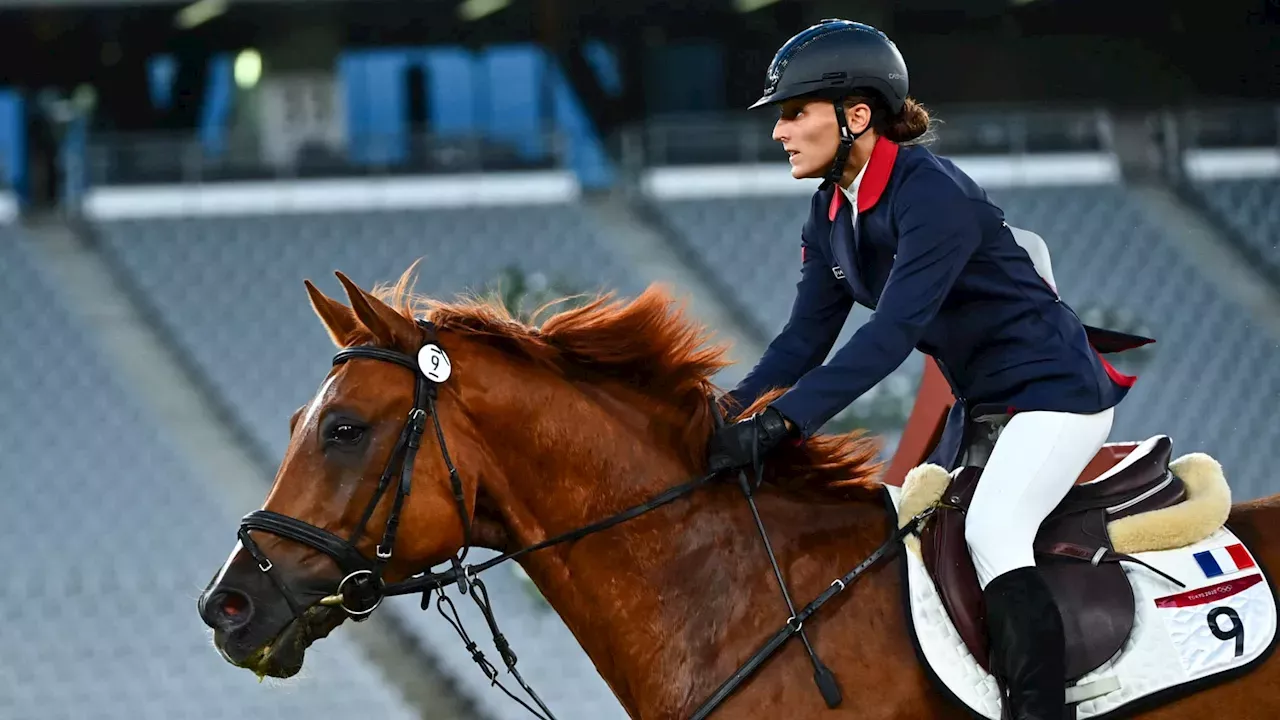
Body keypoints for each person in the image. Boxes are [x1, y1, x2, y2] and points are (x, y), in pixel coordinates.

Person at [705, 19, 1147, 720]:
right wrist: (730, 410)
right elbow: (800, 342)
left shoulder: (930, 193)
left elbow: (892, 334)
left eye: (794, 114)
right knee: (911, 540)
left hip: (1058, 394)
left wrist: (785, 423)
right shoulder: (828, 215)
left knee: (993, 530)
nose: (778, 133)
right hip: (984, 408)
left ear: (856, 116)